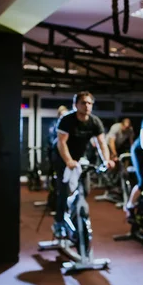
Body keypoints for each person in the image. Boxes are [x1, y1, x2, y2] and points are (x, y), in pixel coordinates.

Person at [52, 91, 114, 238]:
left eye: (89, 103)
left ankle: (74, 209)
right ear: (75, 105)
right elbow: (62, 143)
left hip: (79, 157)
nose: (87, 106)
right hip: (62, 156)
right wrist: (68, 161)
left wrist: (106, 160)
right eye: (83, 103)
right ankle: (59, 223)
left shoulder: (94, 121)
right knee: (63, 191)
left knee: (85, 190)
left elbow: (102, 144)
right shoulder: (67, 120)